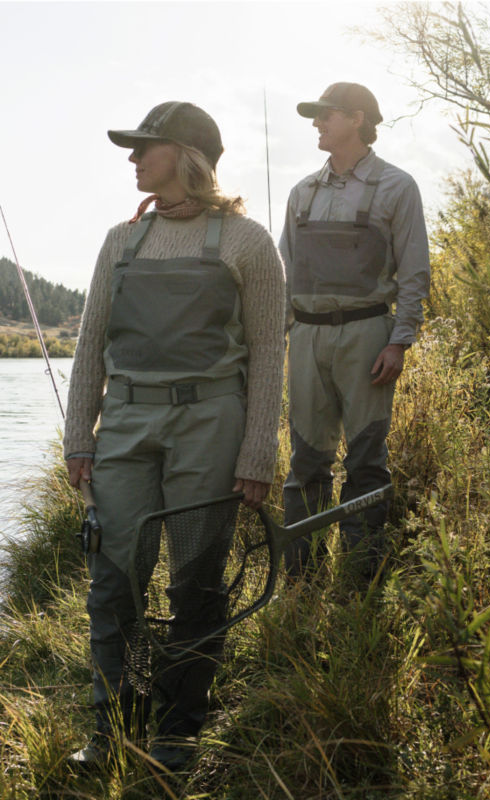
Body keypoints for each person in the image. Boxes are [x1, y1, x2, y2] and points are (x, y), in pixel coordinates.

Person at [63, 101, 285, 772]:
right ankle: (111, 732)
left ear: (186, 156)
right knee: (114, 580)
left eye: (145, 147)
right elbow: (90, 342)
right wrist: (79, 435)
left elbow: (271, 355)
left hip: (210, 424)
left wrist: (256, 453)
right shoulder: (119, 241)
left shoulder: (247, 242)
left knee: (196, 582)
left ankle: (176, 734)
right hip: (126, 425)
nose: (133, 158)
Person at [279, 82, 430, 578]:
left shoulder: (397, 186)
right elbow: (287, 271)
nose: (317, 124)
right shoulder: (301, 191)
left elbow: (414, 272)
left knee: (365, 459)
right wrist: (277, 339)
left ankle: (361, 578)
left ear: (359, 119)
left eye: (327, 115)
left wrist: (399, 340)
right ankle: (303, 579)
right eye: (316, 116)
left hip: (368, 335)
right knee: (306, 461)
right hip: (305, 337)